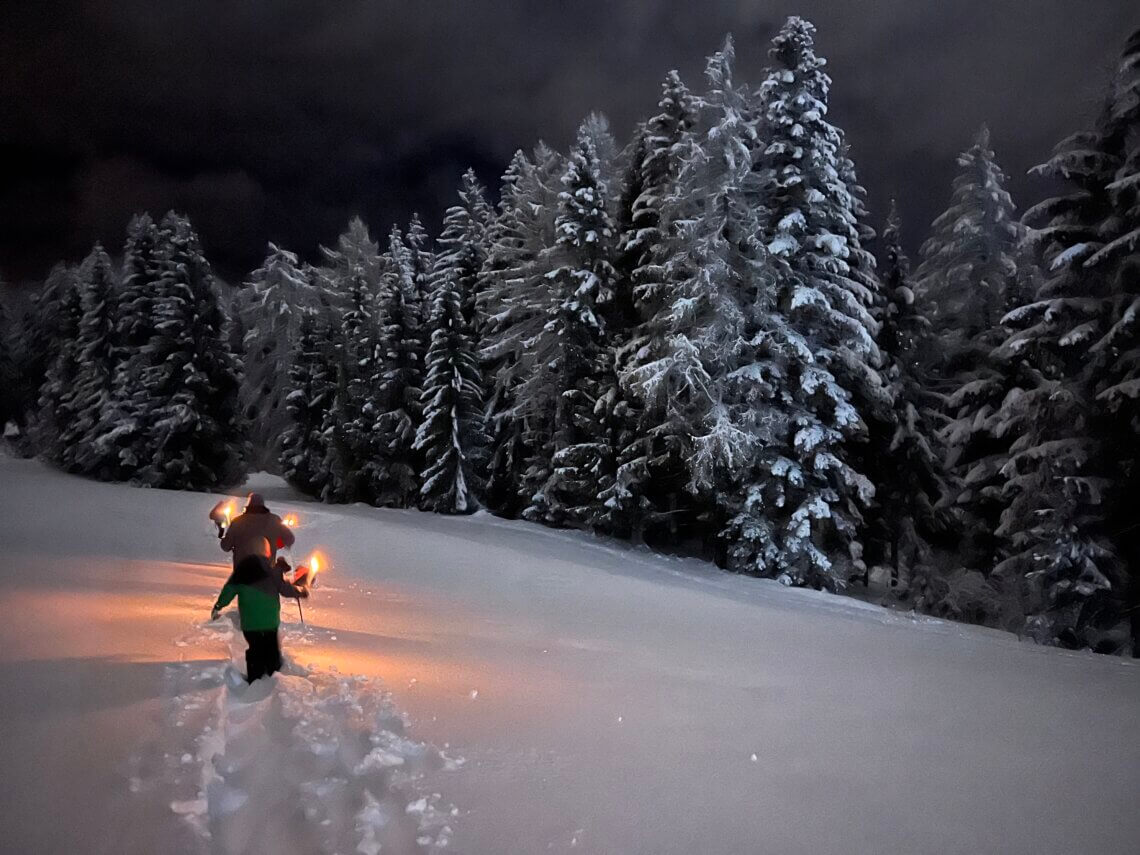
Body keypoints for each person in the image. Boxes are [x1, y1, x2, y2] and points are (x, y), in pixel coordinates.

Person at [212, 536, 309, 682]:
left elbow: (228, 591)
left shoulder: (241, 572)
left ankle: (255, 678)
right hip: (270, 620)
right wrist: (299, 592)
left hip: (250, 622)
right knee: (271, 648)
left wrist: (218, 606)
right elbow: (284, 589)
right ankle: (273, 676)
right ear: (267, 552)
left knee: (255, 648)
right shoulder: (272, 571)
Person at [216, 492, 295, 565]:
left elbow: (226, 546)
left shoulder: (238, 522)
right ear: (263, 505)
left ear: (248, 504)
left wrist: (224, 538)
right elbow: (289, 539)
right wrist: (275, 545)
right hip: (267, 569)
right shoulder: (275, 520)